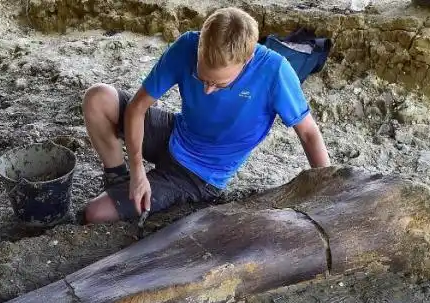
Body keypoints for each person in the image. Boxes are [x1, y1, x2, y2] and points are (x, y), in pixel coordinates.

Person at [80, 7, 330, 225]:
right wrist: (136, 171)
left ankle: (131, 194)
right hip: (175, 132)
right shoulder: (187, 45)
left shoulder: (275, 71)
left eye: (219, 85)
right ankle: (117, 178)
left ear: (248, 58)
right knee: (98, 98)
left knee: (95, 213)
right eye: (201, 78)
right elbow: (137, 107)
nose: (207, 90)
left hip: (199, 176)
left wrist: (328, 191)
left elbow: (308, 133)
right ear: (200, 43)